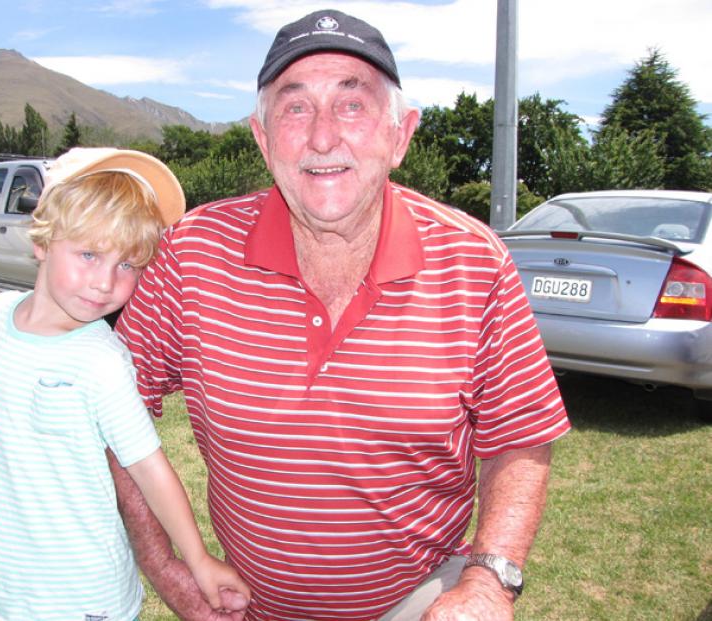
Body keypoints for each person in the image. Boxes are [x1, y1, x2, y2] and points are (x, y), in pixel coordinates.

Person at [110, 9, 571, 621]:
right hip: (249, 606)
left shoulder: (474, 263)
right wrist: (170, 568)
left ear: (400, 134)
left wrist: (488, 581)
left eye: (352, 105)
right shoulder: (192, 254)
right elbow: (112, 409)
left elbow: (520, 440)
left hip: (419, 600)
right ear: (262, 137)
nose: (322, 137)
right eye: (295, 108)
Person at [0, 147, 251, 621]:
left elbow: (150, 469)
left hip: (87, 595)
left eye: (127, 265)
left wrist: (197, 559)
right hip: (9, 583)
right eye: (89, 254)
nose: (106, 282)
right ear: (43, 241)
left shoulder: (101, 360)